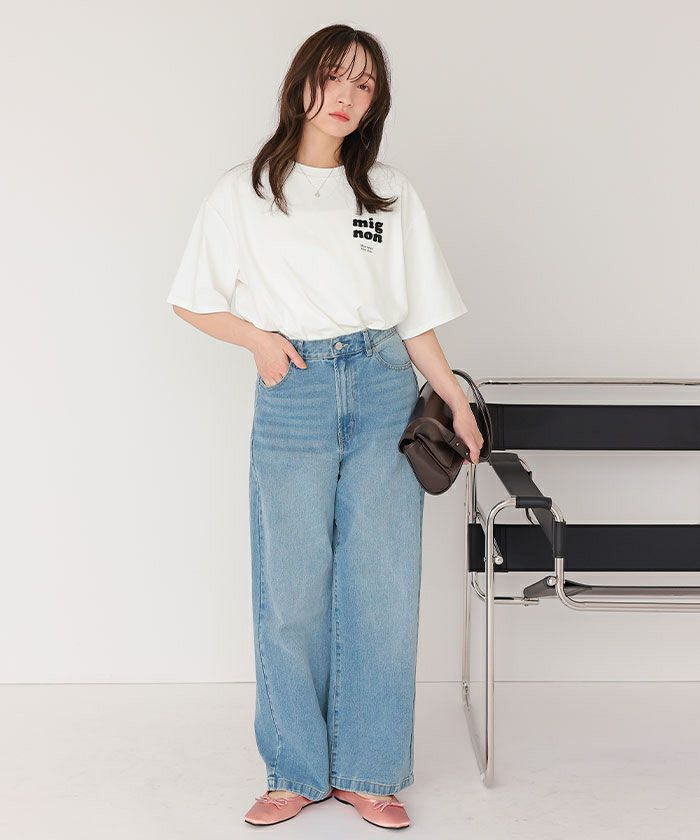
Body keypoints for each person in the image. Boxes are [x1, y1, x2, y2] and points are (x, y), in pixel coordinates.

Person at [166, 23, 483, 830]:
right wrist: (257, 340)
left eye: (364, 84)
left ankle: (369, 771)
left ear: (376, 103)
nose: (346, 95)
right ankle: (296, 770)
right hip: (294, 390)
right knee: (291, 588)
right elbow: (192, 299)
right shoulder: (244, 191)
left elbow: (414, 315)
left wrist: (452, 397)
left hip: (382, 385)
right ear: (301, 82)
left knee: (381, 584)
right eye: (334, 76)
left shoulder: (388, 192)